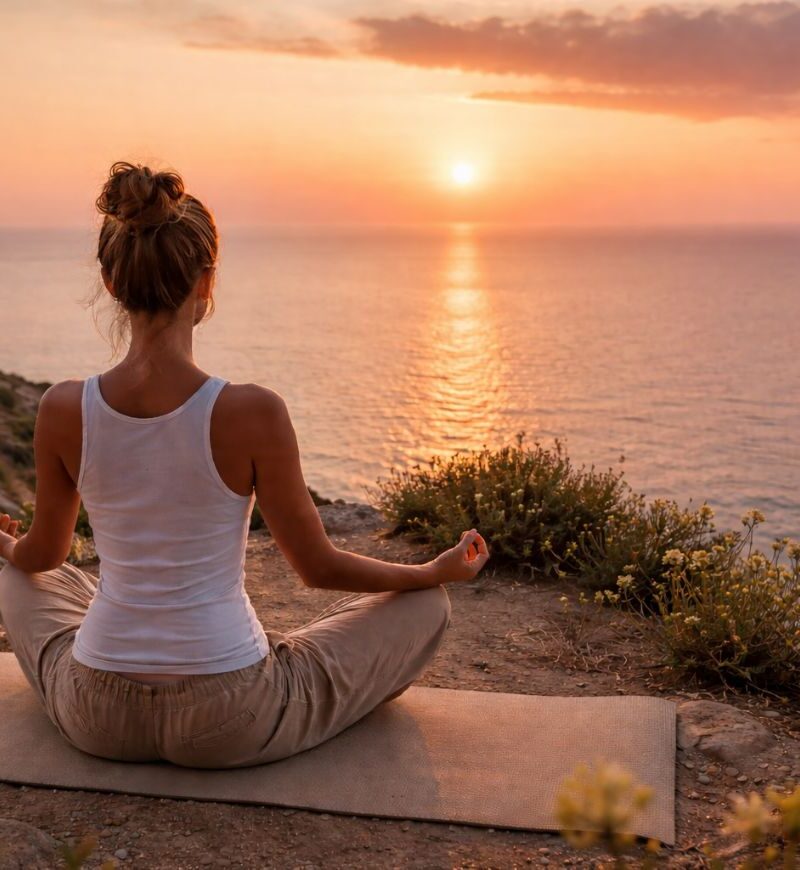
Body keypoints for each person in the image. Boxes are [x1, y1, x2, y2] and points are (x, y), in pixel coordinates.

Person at [0, 161, 491, 769]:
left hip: (98, 713)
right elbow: (318, 567)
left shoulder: (62, 408)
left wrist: (8, 549)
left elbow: (41, 556)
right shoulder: (252, 411)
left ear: (109, 280)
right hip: (229, 716)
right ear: (206, 282)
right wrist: (429, 570)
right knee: (426, 605)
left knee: (22, 576)